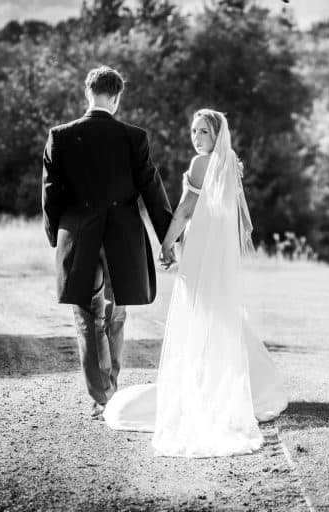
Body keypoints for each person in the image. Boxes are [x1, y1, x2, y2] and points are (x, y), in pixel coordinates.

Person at [103, 109, 288, 457]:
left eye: (203, 131)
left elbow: (186, 210)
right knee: (218, 315)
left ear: (217, 134)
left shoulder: (203, 163)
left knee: (199, 315)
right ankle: (230, 381)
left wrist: (166, 243)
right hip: (215, 254)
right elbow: (234, 219)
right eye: (193, 131)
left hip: (201, 251)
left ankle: (202, 384)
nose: (196, 137)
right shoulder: (231, 163)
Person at [42, 66, 173, 419]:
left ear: (88, 92)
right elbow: (152, 189)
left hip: (79, 234)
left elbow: (51, 193)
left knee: (87, 315)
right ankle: (110, 391)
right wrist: (167, 239)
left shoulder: (60, 136)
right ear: (116, 98)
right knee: (116, 313)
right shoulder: (135, 137)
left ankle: (104, 395)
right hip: (123, 234)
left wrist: (55, 235)